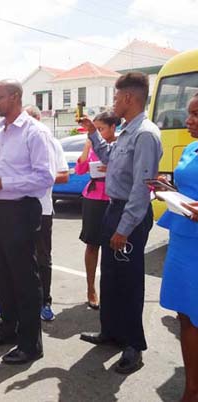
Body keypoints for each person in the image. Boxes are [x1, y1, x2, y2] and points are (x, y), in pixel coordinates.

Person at [79, 72, 162, 375]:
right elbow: (110, 157)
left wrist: (124, 228)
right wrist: (92, 134)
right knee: (111, 277)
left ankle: (133, 346)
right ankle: (111, 332)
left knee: (129, 282)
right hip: (113, 209)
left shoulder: (146, 134)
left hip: (130, 215)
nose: (113, 102)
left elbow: (142, 188)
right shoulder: (128, 131)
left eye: (115, 96)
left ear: (128, 98)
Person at [0, 79, 53, 365]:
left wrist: (3, 182)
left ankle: (30, 343)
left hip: (22, 211)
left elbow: (45, 177)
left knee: (24, 278)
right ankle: (8, 329)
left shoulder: (35, 132)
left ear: (15, 97)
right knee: (3, 275)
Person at [156, 93, 198, 401]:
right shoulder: (190, 147)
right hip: (183, 238)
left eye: (196, 114)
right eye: (189, 113)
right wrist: (167, 189)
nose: (188, 120)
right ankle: (191, 387)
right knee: (185, 314)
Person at [25, 105, 69, 322]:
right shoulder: (19, 141)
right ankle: (14, 301)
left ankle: (45, 301)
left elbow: (64, 175)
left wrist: (39, 177)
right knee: (20, 257)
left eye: (33, 120)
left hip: (42, 209)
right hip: (18, 208)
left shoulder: (51, 142)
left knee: (43, 257)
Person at [75, 112, 119, 309]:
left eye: (101, 129)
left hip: (114, 198)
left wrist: (112, 170)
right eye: (95, 129)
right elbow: (80, 170)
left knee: (113, 245)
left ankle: (112, 290)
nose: (97, 133)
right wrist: (87, 147)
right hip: (93, 198)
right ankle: (91, 288)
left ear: (113, 128)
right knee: (92, 245)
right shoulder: (93, 145)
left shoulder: (121, 146)